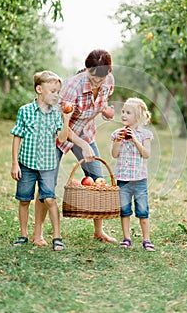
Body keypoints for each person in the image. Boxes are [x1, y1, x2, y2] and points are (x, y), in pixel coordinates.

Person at [33, 49, 117, 244]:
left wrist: (105, 111)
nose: (97, 82)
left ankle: (99, 230)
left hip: (85, 131)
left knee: (98, 180)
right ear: (86, 69)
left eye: (101, 79)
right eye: (93, 78)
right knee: (47, 184)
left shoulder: (109, 81)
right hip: (57, 134)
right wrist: (82, 144)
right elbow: (59, 123)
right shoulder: (72, 86)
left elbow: (101, 102)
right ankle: (37, 234)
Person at [10, 70, 72, 251]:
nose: (56, 95)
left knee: (50, 199)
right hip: (26, 164)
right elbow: (17, 136)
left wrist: (66, 120)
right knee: (24, 199)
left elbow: (61, 139)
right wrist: (15, 163)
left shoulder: (55, 114)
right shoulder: (25, 111)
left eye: (57, 92)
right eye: (52, 91)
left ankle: (57, 236)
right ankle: (23, 234)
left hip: (47, 166)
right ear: (39, 89)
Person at [111, 97, 155, 251]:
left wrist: (135, 140)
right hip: (123, 179)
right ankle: (126, 238)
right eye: (123, 111)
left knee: (143, 210)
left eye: (128, 113)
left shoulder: (145, 134)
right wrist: (118, 140)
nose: (123, 115)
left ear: (138, 116)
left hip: (139, 179)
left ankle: (146, 239)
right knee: (125, 210)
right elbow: (114, 154)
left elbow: (146, 154)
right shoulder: (117, 133)